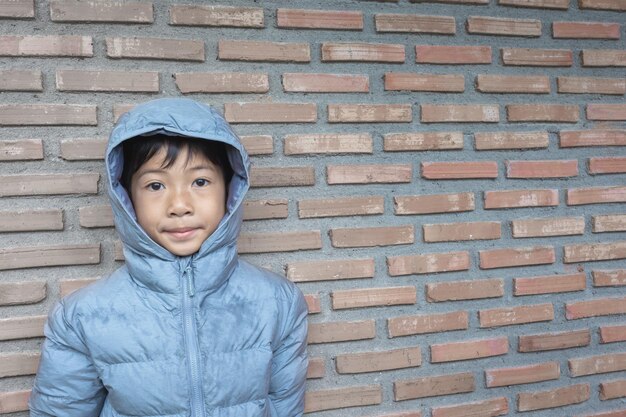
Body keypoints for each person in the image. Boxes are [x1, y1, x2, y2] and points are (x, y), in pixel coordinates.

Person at [29, 98, 309, 417]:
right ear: (127, 198)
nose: (179, 205)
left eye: (200, 181)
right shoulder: (81, 317)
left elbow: (286, 408)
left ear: (229, 190)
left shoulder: (279, 302)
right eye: (155, 185)